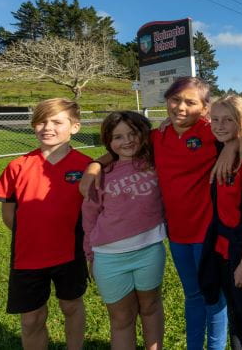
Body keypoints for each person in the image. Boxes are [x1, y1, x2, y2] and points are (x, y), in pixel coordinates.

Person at [80, 77, 234, 349]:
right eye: (175, 100)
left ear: (205, 107)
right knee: (193, 295)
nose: (181, 107)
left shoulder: (211, 132)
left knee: (214, 295)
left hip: (208, 231)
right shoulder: (156, 137)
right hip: (177, 234)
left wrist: (232, 146)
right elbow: (121, 149)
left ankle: (216, 346)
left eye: (190, 102)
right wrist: (94, 164)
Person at [0, 98, 91, 349]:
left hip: (70, 253)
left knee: (71, 306)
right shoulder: (17, 166)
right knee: (32, 318)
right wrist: (37, 236)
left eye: (57, 121)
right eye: (41, 122)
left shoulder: (87, 166)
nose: (48, 127)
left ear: (75, 127)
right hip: (28, 257)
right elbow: (9, 215)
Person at [82, 111, 165, 349]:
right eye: (118, 137)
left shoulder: (156, 162)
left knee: (150, 308)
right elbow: (89, 218)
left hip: (149, 251)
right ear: (108, 141)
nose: (127, 141)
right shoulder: (101, 175)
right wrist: (90, 255)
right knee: (121, 319)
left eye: (132, 134)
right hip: (108, 258)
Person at [198, 94, 242, 350]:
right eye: (214, 119)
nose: (219, 125)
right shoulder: (220, 149)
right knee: (235, 312)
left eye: (228, 120)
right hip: (222, 248)